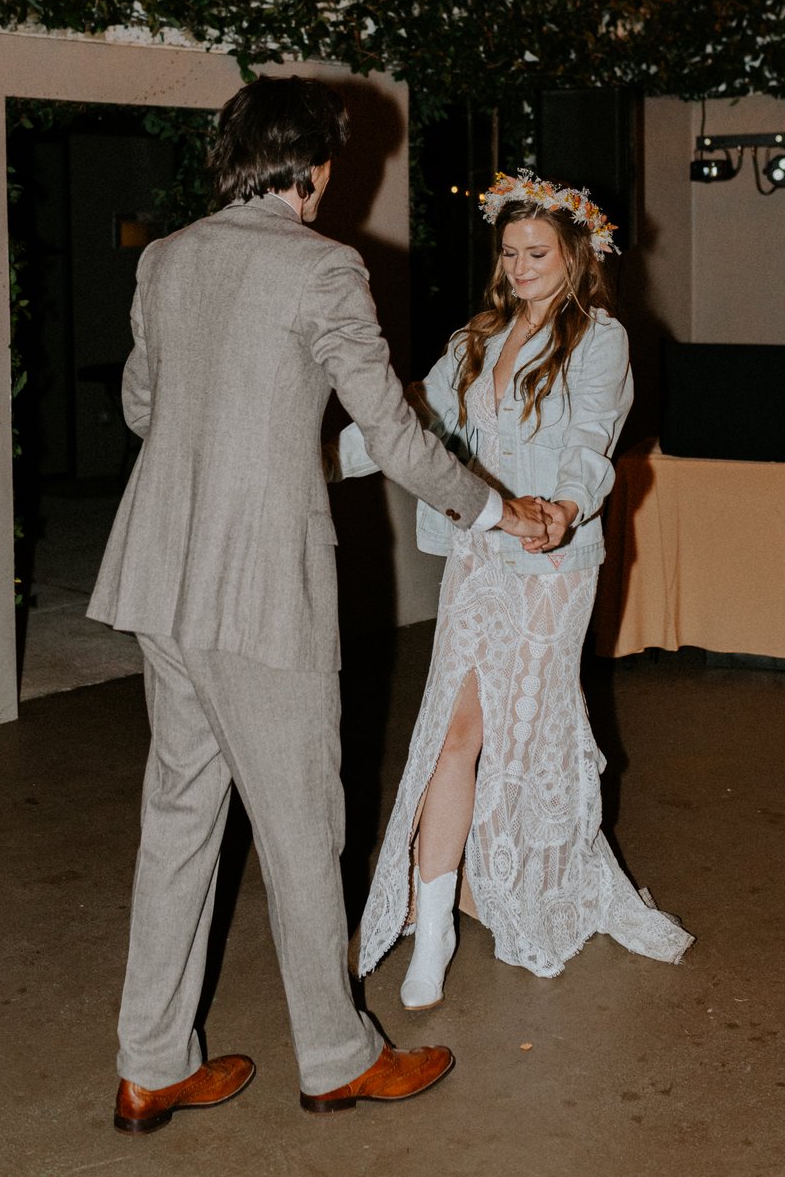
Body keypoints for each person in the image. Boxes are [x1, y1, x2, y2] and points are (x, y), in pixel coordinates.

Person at [87, 78, 547, 1133]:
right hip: (258, 590)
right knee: (302, 828)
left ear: (228, 160)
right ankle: (337, 1057)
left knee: (177, 820)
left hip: (162, 578)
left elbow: (142, 404)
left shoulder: (166, 258)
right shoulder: (322, 265)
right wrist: (492, 506)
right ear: (318, 165)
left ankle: (150, 1064)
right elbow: (390, 432)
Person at [335, 168, 694, 1009]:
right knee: (451, 731)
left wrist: (565, 508)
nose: (522, 266)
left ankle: (523, 883)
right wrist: (318, 461)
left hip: (553, 570)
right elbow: (407, 420)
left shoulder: (599, 340)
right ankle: (435, 927)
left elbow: (592, 441)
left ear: (576, 256)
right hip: (482, 560)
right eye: (510, 252)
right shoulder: (474, 339)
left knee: (522, 732)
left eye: (538, 252)